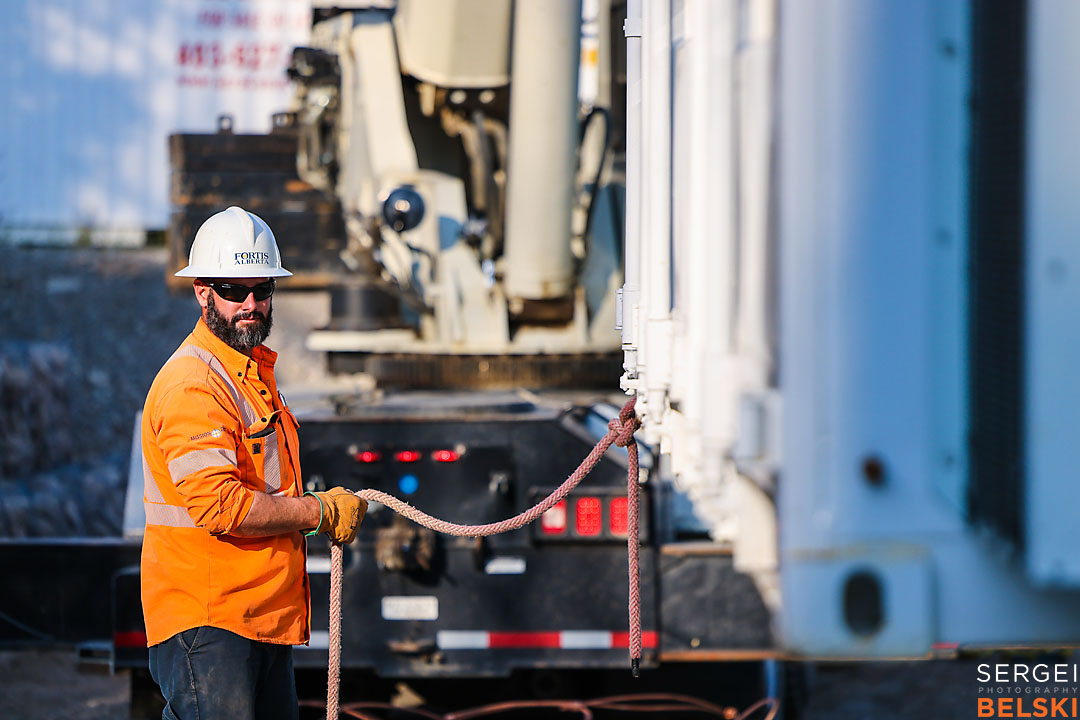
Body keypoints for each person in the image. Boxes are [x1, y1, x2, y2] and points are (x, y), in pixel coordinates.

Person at [140, 206, 366, 719]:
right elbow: (220, 506)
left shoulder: (248, 374)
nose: (250, 304)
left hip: (258, 617)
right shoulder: (194, 384)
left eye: (261, 291)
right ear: (203, 292)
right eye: (233, 290)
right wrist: (318, 513)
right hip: (211, 621)